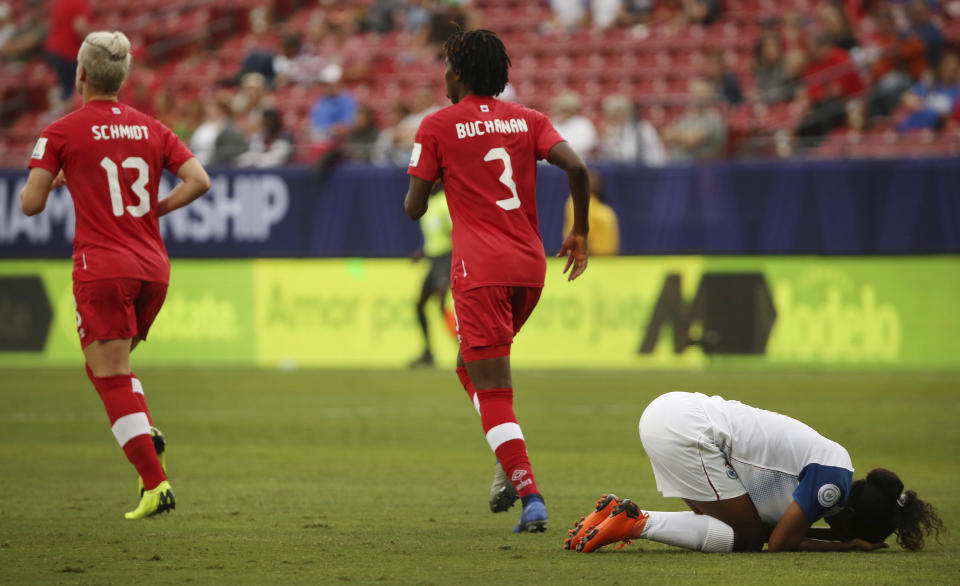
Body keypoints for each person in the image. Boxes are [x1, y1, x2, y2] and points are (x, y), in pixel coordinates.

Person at [404, 27, 590, 534]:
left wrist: (441, 172)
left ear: (459, 73)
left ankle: (529, 492)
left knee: (494, 389)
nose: (443, 74)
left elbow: (413, 207)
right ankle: (504, 450)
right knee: (471, 367)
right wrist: (581, 232)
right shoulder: (529, 119)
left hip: (478, 270)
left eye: (447, 66)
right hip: (530, 266)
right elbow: (576, 166)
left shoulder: (437, 125)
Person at [19, 30, 210, 519]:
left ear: (80, 74)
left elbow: (31, 204)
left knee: (110, 378)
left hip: (102, 268)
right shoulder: (151, 126)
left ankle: (155, 483)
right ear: (121, 78)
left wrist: (54, 174)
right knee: (109, 370)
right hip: (152, 267)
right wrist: (154, 210)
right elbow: (199, 181)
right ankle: (145, 431)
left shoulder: (61, 131)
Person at [564, 392, 945, 553]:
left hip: (672, 411)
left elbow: (784, 531)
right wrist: (844, 547)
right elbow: (779, 542)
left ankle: (612, 516)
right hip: (689, 430)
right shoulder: (833, 481)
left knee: (738, 528)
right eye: (847, 530)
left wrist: (834, 537)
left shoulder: (835, 468)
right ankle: (634, 523)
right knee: (746, 538)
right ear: (851, 516)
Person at [408, 183, 455, 368]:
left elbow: (456, 232)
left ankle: (468, 351)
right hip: (434, 260)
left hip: (446, 259)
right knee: (420, 304)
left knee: (443, 306)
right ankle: (428, 352)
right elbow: (435, 239)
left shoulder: (445, 203)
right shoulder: (430, 205)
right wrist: (423, 253)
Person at [44, 0, 91, 107]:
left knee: (66, 90)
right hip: (68, 52)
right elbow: (79, 26)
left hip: (54, 49)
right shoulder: (78, 2)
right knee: (73, 92)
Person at [563, 170, 618, 255]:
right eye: (589, 180)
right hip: (591, 259)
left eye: (596, 180)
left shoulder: (602, 208)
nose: (594, 183)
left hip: (608, 259)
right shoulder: (578, 201)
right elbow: (583, 234)